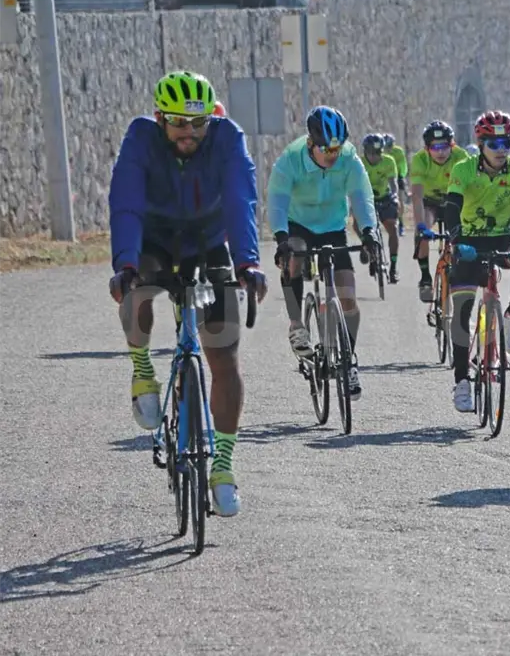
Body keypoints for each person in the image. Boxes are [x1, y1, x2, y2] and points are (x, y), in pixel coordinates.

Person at [108, 70, 267, 518]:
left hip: (208, 240)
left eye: (198, 124)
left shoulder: (226, 137)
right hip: (155, 238)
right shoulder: (141, 138)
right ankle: (142, 371)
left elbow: (240, 200)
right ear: (160, 118)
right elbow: (126, 201)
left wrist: (248, 263)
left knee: (224, 357)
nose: (190, 134)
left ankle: (222, 464)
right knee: (136, 291)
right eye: (179, 123)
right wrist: (126, 263)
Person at [267, 106, 379, 400]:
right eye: (326, 149)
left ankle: (347, 360)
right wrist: (281, 238)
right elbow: (277, 202)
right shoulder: (290, 160)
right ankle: (296, 325)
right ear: (310, 144)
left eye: (337, 148)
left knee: (348, 297)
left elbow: (362, 198)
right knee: (295, 258)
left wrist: (369, 233)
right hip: (297, 223)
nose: (333, 154)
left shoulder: (349, 159)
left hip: (332, 226)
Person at [443, 111, 510, 412]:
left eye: (507, 143)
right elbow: (451, 210)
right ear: (481, 144)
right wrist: (458, 242)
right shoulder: (463, 169)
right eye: (494, 143)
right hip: (469, 240)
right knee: (462, 309)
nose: (501, 149)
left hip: (502, 237)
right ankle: (461, 381)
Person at [410, 120, 470, 302]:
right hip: (431, 202)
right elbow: (417, 196)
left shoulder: (462, 156)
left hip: (455, 201)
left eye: (444, 147)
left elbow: (471, 189)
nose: (441, 152)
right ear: (427, 148)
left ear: (452, 145)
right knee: (423, 229)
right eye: (435, 148)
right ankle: (425, 277)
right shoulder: (420, 160)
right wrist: (420, 225)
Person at [360, 133, 401, 283]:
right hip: (365, 199)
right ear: (365, 152)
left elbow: (393, 183)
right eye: (370, 153)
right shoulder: (360, 163)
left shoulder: (389, 161)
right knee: (357, 224)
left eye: (377, 152)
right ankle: (367, 246)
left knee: (393, 228)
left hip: (384, 197)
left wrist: (395, 196)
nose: (374, 156)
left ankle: (393, 266)